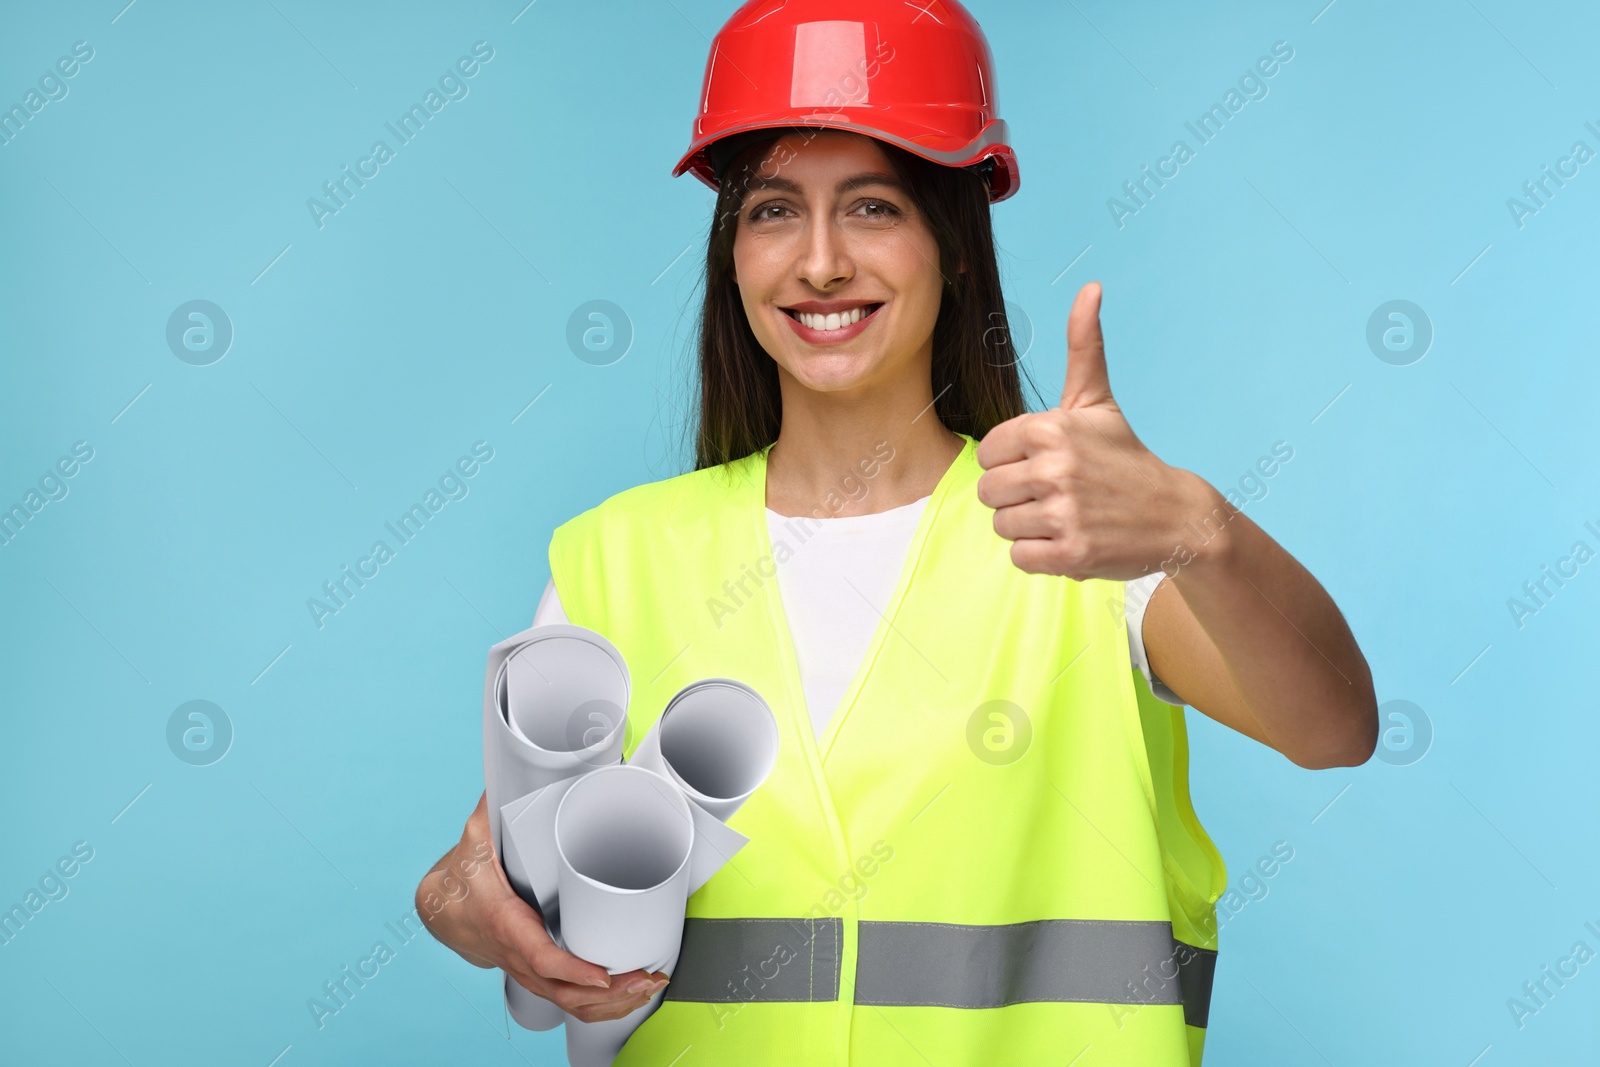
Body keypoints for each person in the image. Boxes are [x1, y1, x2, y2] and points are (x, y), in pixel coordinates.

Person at [417, 2, 1377, 1062]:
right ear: (731, 254)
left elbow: (1333, 729)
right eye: (774, 210)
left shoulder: (1080, 534)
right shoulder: (617, 559)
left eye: (872, 207)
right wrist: (461, 898)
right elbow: (505, 858)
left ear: (954, 247)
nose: (820, 263)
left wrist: (1199, 527)